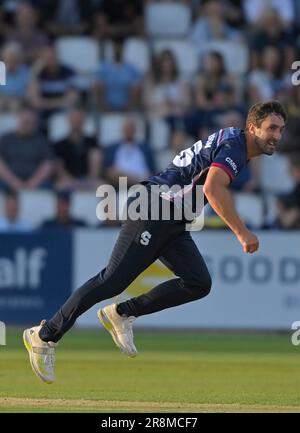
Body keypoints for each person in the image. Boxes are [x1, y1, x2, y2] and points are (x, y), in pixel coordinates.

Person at [23, 100, 287, 384]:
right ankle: (44, 335)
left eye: (281, 129)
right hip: (155, 207)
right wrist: (241, 232)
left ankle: (123, 312)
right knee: (112, 280)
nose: (277, 135)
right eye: (271, 128)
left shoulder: (233, 140)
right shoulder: (236, 146)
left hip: (173, 217)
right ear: (252, 127)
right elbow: (212, 188)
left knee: (198, 282)